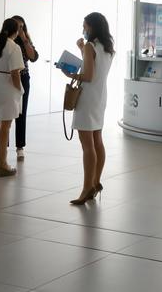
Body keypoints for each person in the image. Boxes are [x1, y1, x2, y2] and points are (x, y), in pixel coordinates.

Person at [64, 12, 114, 205]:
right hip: (100, 96)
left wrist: (70, 74)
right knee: (97, 140)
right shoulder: (107, 47)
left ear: (91, 27)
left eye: (84, 26)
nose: (83, 29)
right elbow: (95, 69)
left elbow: (88, 75)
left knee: (87, 145)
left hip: (87, 97)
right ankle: (95, 182)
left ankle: (87, 188)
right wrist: (81, 49)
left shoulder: (90, 46)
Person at [0, 18, 25, 177]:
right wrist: (20, 89)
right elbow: (15, 73)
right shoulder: (14, 47)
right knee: (5, 126)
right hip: (7, 86)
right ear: (15, 31)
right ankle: (2, 163)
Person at [11, 15, 39, 160]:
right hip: (8, 78)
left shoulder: (25, 41)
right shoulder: (6, 41)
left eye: (22, 26)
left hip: (23, 77)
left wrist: (24, 39)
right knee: (7, 113)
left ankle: (20, 146)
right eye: (16, 26)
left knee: (22, 112)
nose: (19, 29)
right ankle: (3, 144)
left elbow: (33, 57)